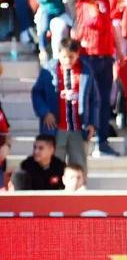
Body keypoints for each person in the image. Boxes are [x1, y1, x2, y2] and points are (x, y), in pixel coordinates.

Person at [72, 0, 123, 157]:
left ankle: (102, 142)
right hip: (88, 56)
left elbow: (109, 23)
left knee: (103, 100)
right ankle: (81, 139)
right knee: (86, 99)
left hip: (105, 54)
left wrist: (119, 50)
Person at [31, 37, 99, 172]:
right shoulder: (48, 71)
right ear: (58, 54)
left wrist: (92, 122)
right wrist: (45, 112)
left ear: (78, 54)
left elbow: (94, 99)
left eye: (71, 57)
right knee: (54, 166)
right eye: (64, 57)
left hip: (78, 128)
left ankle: (78, 184)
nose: (68, 61)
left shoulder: (86, 72)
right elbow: (37, 93)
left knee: (78, 166)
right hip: (56, 128)